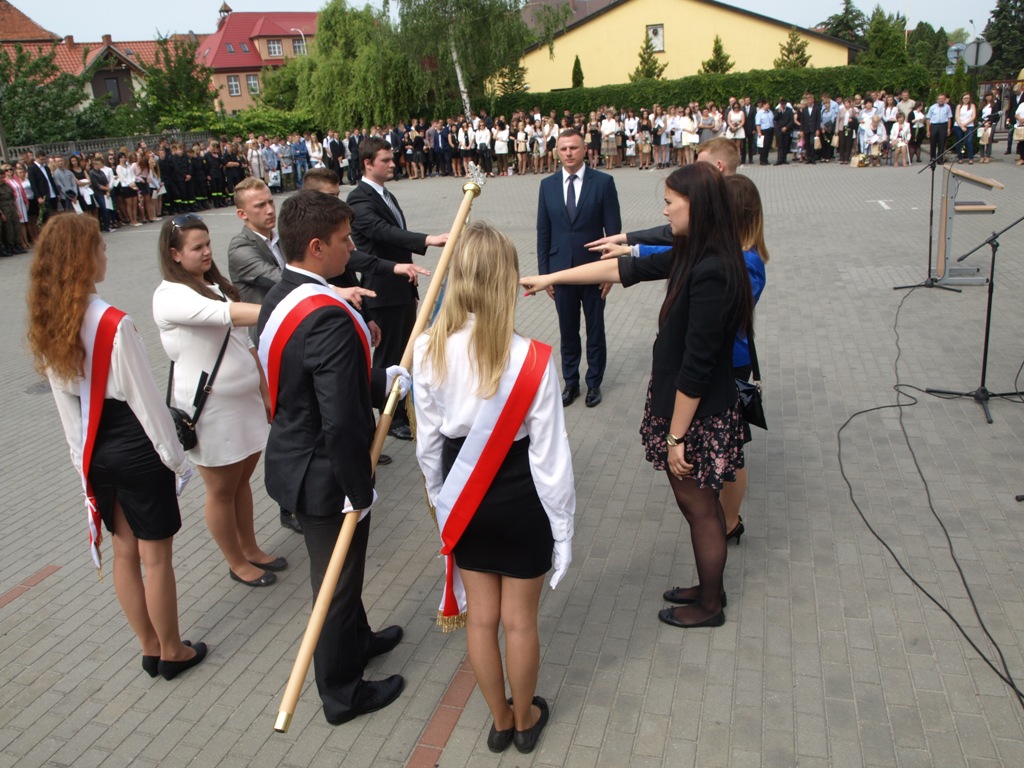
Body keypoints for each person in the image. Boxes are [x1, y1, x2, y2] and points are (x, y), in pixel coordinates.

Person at [522, 162, 753, 628]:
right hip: (689, 406)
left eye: (670, 203)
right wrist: (552, 278)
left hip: (696, 412)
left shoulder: (711, 270)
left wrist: (676, 438)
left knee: (700, 508)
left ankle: (710, 606)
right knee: (699, 505)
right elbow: (625, 267)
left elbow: (697, 368)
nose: (664, 211)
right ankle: (710, 587)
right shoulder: (695, 251)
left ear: (696, 207)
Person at [413, 222, 574, 754]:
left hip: (466, 498)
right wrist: (563, 528)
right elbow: (550, 456)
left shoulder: (428, 349)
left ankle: (501, 720)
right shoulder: (533, 357)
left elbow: (427, 445)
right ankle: (526, 720)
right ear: (506, 280)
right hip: (521, 496)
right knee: (519, 622)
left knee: (480, 621)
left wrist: (441, 502)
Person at [28, 214, 206, 680]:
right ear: (82, 259)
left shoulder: (50, 318)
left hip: (96, 447)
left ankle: (150, 646)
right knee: (156, 556)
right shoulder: (113, 322)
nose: (106, 254)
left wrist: (80, 463)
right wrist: (176, 459)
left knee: (124, 550)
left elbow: (66, 407)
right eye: (100, 248)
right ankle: (173, 651)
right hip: (136, 443)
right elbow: (147, 403)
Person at [257, 190, 407, 725]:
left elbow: (313, 379)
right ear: (317, 247)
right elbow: (340, 415)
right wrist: (358, 487)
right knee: (335, 586)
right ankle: (342, 693)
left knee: (344, 575)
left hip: (298, 455)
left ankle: (359, 640)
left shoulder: (284, 294)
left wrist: (383, 381)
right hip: (324, 472)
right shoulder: (326, 316)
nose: (352, 249)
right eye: (345, 241)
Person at [152, 214, 285, 587]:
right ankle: (236, 561)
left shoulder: (214, 285)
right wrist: (291, 306)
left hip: (243, 403)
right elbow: (226, 315)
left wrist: (264, 390)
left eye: (208, 243)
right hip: (210, 410)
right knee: (222, 490)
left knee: (241, 482)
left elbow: (244, 341)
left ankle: (251, 548)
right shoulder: (170, 295)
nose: (207, 252)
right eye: (197, 247)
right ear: (175, 254)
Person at [347, 137, 449, 441]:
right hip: (383, 292)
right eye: (386, 160)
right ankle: (389, 419)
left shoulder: (385, 194)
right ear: (368, 163)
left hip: (401, 287)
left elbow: (395, 238)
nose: (393, 164)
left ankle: (402, 410)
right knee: (390, 358)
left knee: (406, 353)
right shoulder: (358, 199)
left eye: (392, 159)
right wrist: (428, 239)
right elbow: (383, 232)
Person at [536, 128, 622, 409]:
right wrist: (545, 274)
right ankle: (571, 382)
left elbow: (614, 232)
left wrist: (612, 270)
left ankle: (594, 382)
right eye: (563, 149)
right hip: (561, 271)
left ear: (585, 149)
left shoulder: (604, 183)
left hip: (595, 270)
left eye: (574, 148)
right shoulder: (547, 186)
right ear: (557, 152)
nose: (569, 153)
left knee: (595, 329)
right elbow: (543, 232)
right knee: (568, 330)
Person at [28, 149, 60, 224]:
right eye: (41, 159)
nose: (43, 161)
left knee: (55, 214)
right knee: (49, 216)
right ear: (36, 158)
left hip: (52, 194)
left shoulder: (46, 168)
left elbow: (51, 181)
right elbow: (33, 184)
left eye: (44, 159)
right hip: (44, 195)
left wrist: (57, 193)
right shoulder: (32, 169)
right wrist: (38, 197)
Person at [926, 94, 953, 165]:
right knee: (933, 143)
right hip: (934, 125)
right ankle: (932, 159)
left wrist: (948, 128)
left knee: (942, 143)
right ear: (937, 100)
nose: (941, 100)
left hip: (943, 125)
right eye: (939, 99)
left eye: (942, 99)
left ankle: (940, 159)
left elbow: (949, 118)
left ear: (945, 99)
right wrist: (928, 130)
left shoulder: (947, 107)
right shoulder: (932, 107)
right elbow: (928, 119)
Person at [954, 93, 977, 164]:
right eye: (965, 98)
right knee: (959, 141)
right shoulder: (959, 106)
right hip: (958, 126)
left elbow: (973, 116)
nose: (966, 99)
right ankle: (960, 158)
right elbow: (957, 117)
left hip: (969, 125)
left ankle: (970, 158)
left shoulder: (972, 105)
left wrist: (965, 124)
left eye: (968, 98)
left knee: (969, 141)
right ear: (962, 99)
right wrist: (961, 126)